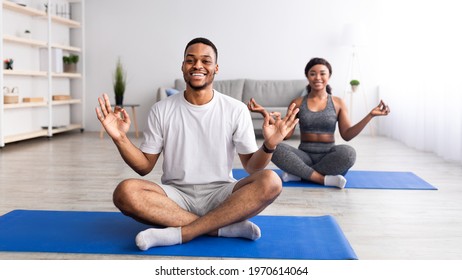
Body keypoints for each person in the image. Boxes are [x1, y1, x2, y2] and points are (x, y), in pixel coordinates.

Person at [96, 37, 299, 250]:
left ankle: (181, 233)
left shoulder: (235, 109)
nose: (197, 66)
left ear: (216, 68)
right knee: (125, 192)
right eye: (190, 60)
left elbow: (252, 167)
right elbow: (144, 167)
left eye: (206, 61)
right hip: (175, 196)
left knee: (272, 181)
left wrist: (269, 145)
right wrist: (120, 138)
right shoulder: (161, 109)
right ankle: (220, 228)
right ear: (183, 66)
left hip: (222, 193)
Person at [248, 57, 390, 189]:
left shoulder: (338, 102)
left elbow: (347, 135)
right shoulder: (297, 102)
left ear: (329, 76)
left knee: (349, 154)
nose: (318, 78)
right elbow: (286, 135)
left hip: (328, 156)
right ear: (307, 76)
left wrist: (370, 115)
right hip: (303, 156)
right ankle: (322, 179)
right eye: (313, 74)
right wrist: (264, 113)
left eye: (322, 73)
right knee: (276, 148)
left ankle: (299, 173)